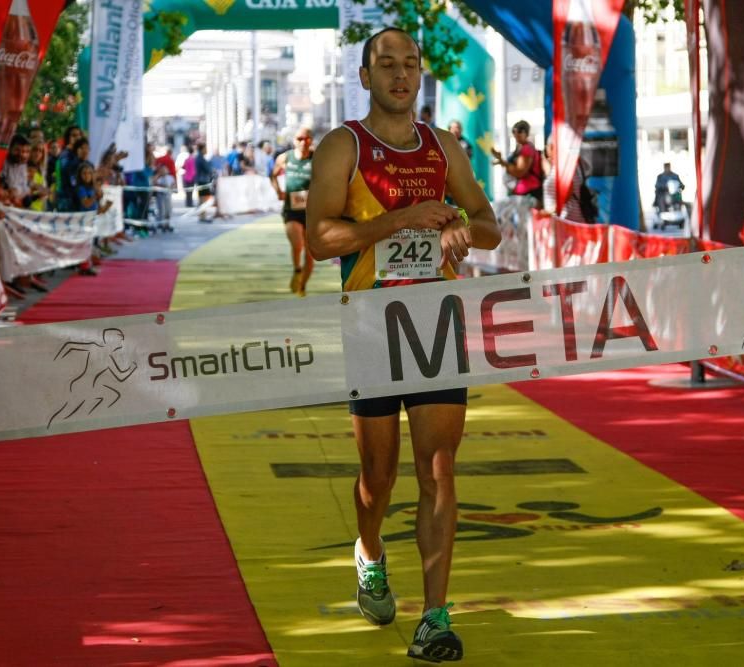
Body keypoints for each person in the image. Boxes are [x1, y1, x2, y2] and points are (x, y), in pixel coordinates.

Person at [306, 26, 500, 663]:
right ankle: (368, 552)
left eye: (409, 64)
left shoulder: (444, 147)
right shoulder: (343, 146)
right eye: (385, 64)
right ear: (364, 77)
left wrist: (462, 232)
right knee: (378, 477)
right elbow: (319, 240)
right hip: (369, 322)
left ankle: (435, 618)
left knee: (439, 470)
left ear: (421, 76)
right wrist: (398, 220)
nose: (399, 74)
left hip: (438, 320)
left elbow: (490, 224)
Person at [270, 128, 315, 297]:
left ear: (311, 140)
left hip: (312, 213)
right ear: (294, 140)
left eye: (307, 138)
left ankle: (302, 287)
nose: (304, 142)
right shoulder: (285, 158)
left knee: (311, 255)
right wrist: (278, 192)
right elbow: (272, 175)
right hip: (291, 210)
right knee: (297, 245)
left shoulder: (316, 157)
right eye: (300, 138)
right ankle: (297, 270)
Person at [490, 120, 544, 208]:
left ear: (526, 133)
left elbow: (519, 172)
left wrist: (503, 162)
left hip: (528, 193)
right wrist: (500, 160)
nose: (516, 135)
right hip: (521, 192)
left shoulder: (527, 149)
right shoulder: (519, 147)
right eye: (514, 132)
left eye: (519, 131)